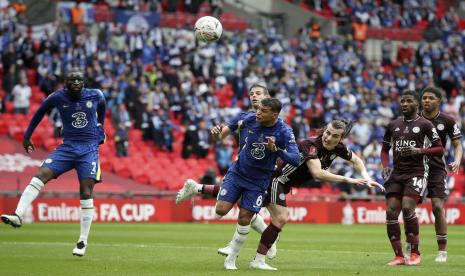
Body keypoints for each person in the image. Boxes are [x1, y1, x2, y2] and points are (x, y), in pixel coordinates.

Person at [178, 119, 384, 270]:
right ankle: (259, 257)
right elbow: (317, 173)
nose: (329, 137)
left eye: (335, 136)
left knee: (242, 203)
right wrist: (350, 180)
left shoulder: (339, 148)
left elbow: (357, 160)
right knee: (279, 217)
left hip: (282, 184)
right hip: (276, 179)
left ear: (342, 138)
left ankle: (197, 188)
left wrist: (365, 176)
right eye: (328, 133)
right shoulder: (310, 145)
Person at [185, 97, 300, 270]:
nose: (258, 112)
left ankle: (231, 258)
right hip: (237, 172)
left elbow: (296, 159)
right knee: (221, 210)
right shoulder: (250, 119)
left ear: (274, 115)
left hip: (259, 181)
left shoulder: (284, 131)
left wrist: (277, 150)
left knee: (245, 216)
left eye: (263, 111)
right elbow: (225, 132)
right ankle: (198, 188)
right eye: (258, 109)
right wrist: (218, 133)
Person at [1, 69, 106, 258]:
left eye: (79, 80)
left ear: (84, 83)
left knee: (85, 191)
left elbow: (103, 106)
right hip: (67, 147)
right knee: (41, 174)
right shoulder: (57, 97)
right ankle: (18, 215)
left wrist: (101, 126)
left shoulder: (95, 94)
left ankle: (82, 240)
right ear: (65, 83)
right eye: (72, 79)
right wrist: (27, 136)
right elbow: (39, 113)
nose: (75, 82)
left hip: (89, 149)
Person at [177, 83, 279, 259]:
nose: (254, 96)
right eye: (251, 93)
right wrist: (216, 133)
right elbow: (220, 136)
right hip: (242, 169)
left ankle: (252, 246)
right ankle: (269, 242)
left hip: (263, 173)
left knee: (249, 211)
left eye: (258, 93)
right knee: (230, 209)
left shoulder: (275, 122)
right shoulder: (242, 118)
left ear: (267, 97)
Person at [381, 90, 443, 266]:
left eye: (408, 101)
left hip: (416, 171)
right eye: (402, 101)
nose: (404, 104)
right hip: (397, 173)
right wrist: (385, 165)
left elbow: (439, 149)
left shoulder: (425, 125)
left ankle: (415, 253)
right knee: (391, 210)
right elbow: (385, 150)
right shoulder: (393, 124)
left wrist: (420, 151)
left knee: (408, 207)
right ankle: (399, 256)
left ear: (417, 104)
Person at [418, 86, 462, 263]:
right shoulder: (414, 118)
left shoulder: (448, 120)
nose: (426, 100)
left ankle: (442, 251)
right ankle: (412, 244)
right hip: (415, 167)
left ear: (438, 101)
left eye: (430, 98)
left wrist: (457, 159)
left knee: (437, 207)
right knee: (408, 206)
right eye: (424, 98)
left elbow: (457, 144)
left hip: (436, 167)